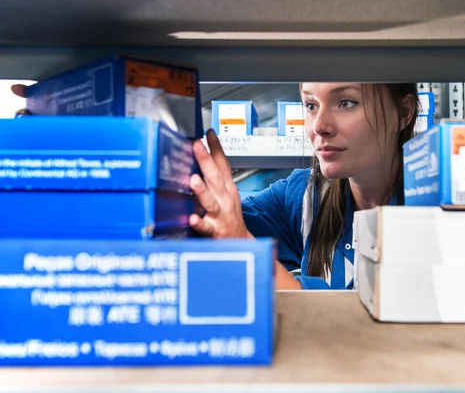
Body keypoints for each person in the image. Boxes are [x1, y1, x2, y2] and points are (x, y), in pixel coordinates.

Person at [11, 82, 419, 290]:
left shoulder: (433, 210)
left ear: (404, 112)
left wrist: (244, 248)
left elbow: (365, 315)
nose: (318, 126)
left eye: (346, 102)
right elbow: (210, 218)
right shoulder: (306, 195)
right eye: (310, 104)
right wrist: (71, 134)